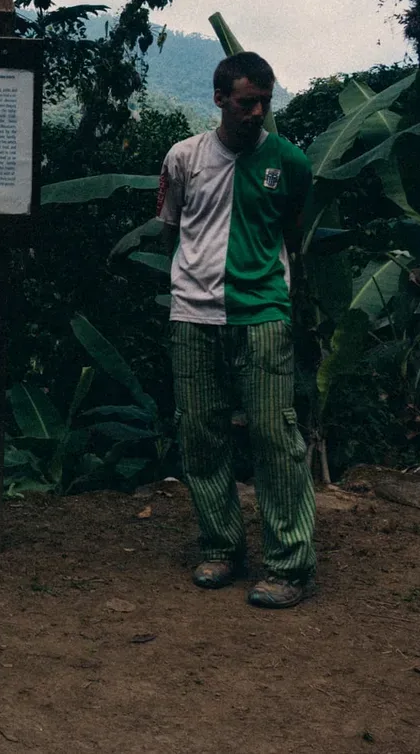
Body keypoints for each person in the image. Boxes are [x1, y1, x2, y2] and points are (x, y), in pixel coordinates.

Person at [156, 51, 316, 609]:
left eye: (265, 103)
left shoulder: (290, 163)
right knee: (201, 435)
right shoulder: (183, 158)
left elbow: (293, 233)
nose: (257, 113)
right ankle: (221, 547)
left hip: (264, 313)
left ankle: (288, 564)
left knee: (276, 438)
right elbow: (171, 229)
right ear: (220, 99)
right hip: (193, 315)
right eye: (247, 102)